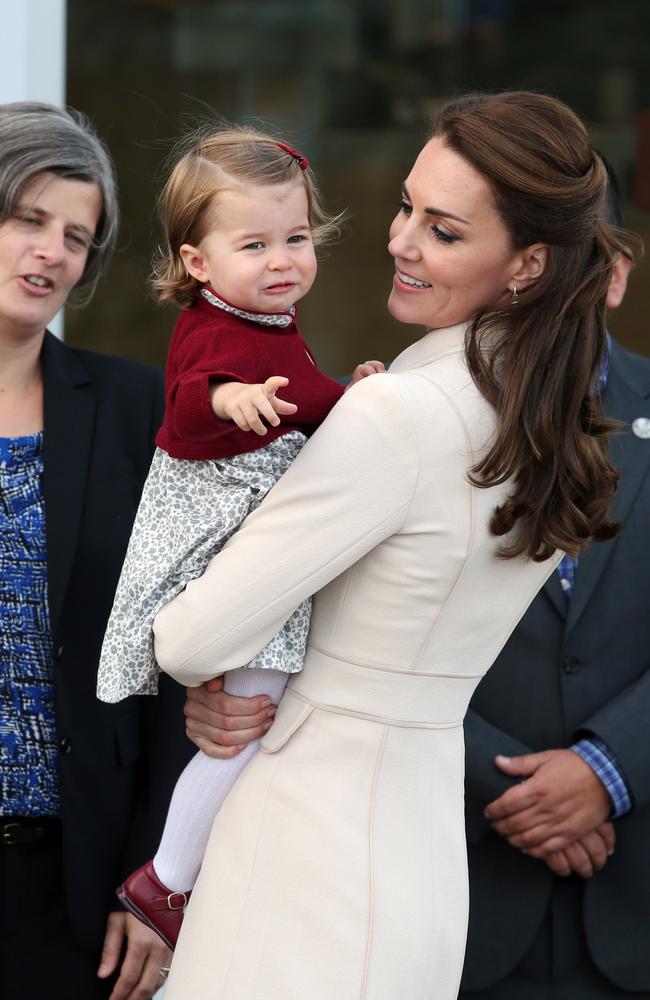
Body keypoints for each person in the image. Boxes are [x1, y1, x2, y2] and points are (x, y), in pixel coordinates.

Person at [151, 91, 633, 1000]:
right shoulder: (541, 419)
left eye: (443, 230)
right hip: (413, 856)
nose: (401, 240)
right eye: (407, 206)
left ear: (528, 263)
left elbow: (186, 639)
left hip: (305, 851)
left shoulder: (401, 414)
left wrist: (220, 676)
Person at [95, 124, 381, 948]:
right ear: (197, 263)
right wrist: (229, 402)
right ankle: (168, 880)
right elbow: (188, 400)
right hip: (215, 545)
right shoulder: (214, 331)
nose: (283, 259)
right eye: (254, 243)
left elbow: (305, 397)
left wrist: (350, 394)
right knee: (252, 716)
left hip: (247, 541)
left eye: (295, 237)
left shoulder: (270, 320)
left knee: (262, 718)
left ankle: (191, 872)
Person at [0, 101, 194, 1000]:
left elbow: (175, 663)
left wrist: (157, 877)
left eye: (76, 237)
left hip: (76, 888)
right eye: (27, 218)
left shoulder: (134, 413)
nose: (51, 252)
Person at [457, 167, 650, 999]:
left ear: (615, 273)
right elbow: (353, 634)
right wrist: (512, 788)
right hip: (461, 901)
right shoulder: (409, 418)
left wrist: (609, 769)